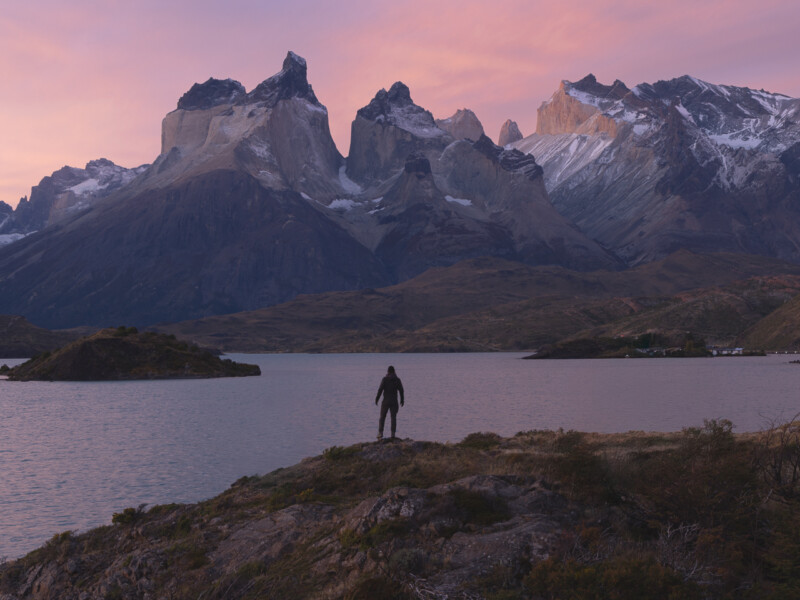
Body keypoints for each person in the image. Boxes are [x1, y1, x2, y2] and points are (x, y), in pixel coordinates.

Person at [375, 365, 404, 440]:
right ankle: (393, 434)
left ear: (388, 371)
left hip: (385, 401)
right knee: (393, 418)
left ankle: (380, 433)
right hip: (394, 401)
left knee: (382, 417)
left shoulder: (385, 379)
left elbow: (380, 389)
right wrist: (402, 400)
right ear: (394, 371)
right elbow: (401, 390)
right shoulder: (397, 380)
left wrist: (377, 399)